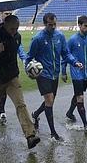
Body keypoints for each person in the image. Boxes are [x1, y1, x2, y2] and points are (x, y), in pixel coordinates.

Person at [0, 15, 40, 149]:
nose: (15, 31)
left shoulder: (17, 36)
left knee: (21, 105)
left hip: (11, 77)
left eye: (17, 29)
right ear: (5, 25)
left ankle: (30, 136)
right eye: (12, 29)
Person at [26, 13, 83, 142]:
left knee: (49, 101)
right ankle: (53, 133)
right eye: (50, 25)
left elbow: (66, 54)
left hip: (55, 74)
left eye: (54, 24)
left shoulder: (60, 36)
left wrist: (74, 62)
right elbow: (29, 58)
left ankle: (35, 114)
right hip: (43, 74)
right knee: (50, 100)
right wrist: (29, 70)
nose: (52, 27)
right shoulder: (38, 39)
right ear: (45, 24)